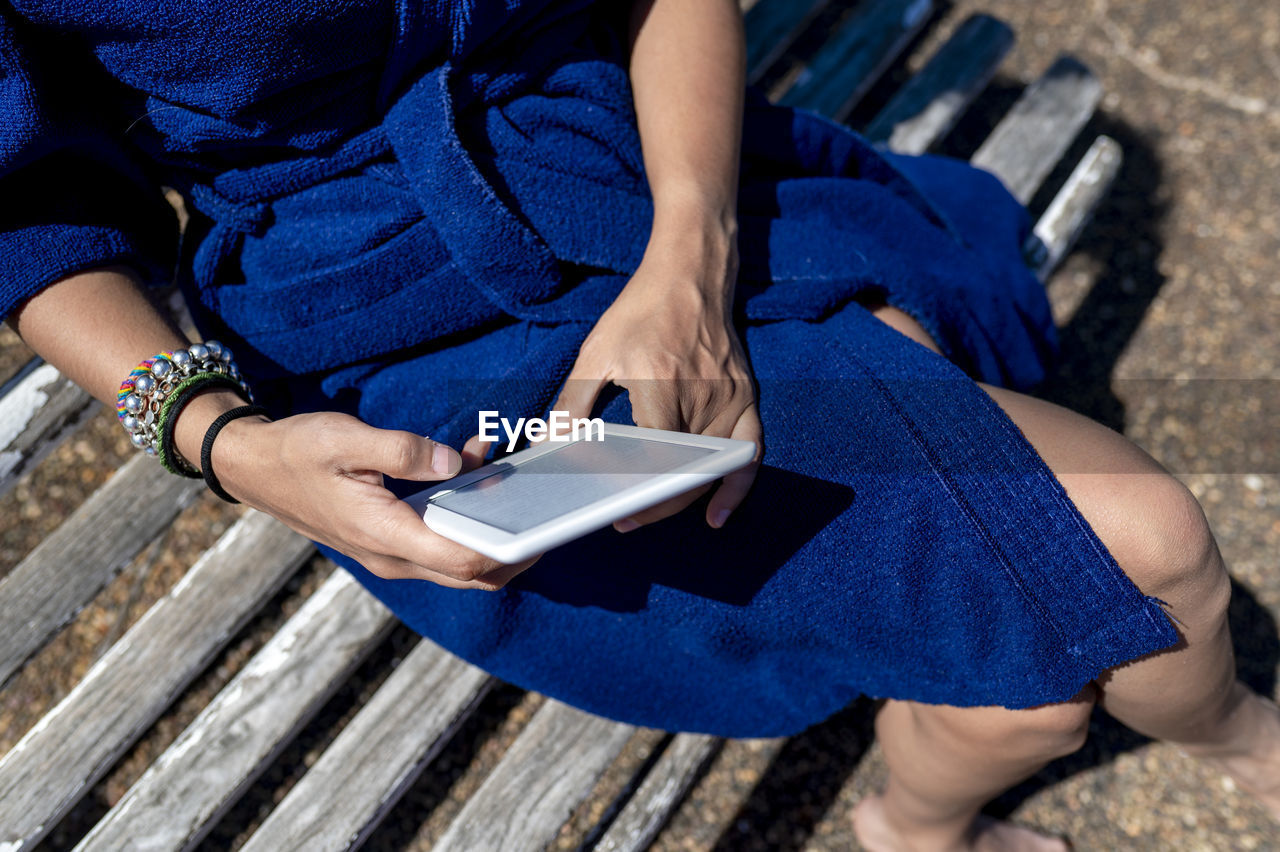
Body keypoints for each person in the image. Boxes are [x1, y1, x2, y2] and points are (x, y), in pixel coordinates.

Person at [2, 0, 1276, 848]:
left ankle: (919, 811)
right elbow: (31, 218)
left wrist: (688, 258)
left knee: (1024, 627)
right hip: (406, 340)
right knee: (1138, 553)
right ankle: (1199, 744)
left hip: (658, 168)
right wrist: (216, 439)